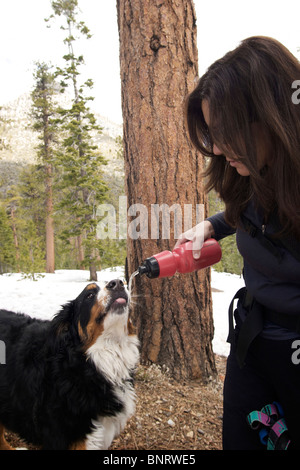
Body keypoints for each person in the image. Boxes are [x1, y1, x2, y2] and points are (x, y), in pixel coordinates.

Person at [175, 36, 300, 450]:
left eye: (225, 132)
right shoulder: (252, 170)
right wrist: (212, 227)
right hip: (253, 340)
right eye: (211, 133)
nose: (217, 147)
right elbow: (247, 213)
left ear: (273, 115)